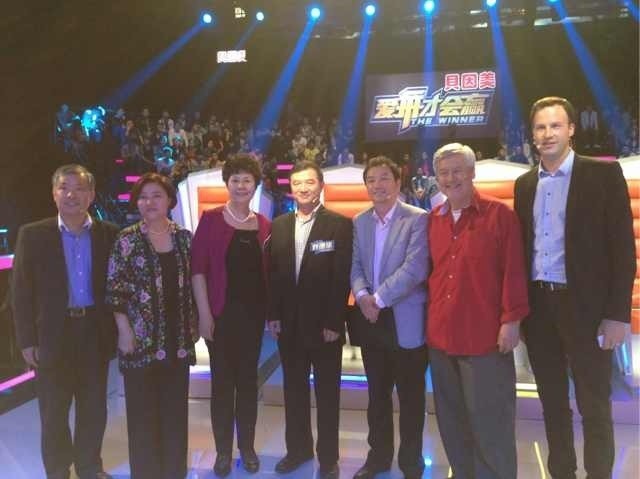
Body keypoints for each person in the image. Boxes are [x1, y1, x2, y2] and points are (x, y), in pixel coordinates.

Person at [514, 97, 636, 479]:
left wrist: (617, 315)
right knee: (552, 404)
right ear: (533, 135)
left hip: (587, 310)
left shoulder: (602, 174)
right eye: (540, 127)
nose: (547, 133)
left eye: (555, 125)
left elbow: (623, 249)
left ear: (571, 129)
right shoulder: (524, 184)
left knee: (594, 404)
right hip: (539, 309)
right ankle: (562, 473)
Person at [428, 143, 530, 478]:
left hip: (484, 338)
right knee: (452, 423)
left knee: (491, 423)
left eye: (458, 171)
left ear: (472, 172)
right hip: (441, 338)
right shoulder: (434, 219)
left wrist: (511, 320)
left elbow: (514, 271)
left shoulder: (499, 215)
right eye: (444, 173)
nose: (451, 178)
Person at [12, 164, 118, 479]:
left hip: (94, 333)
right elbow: (21, 292)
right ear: (54, 193)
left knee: (93, 408)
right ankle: (58, 471)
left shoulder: (109, 234)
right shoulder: (33, 234)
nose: (72, 194)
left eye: (80, 188)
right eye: (64, 188)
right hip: (51, 335)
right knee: (53, 412)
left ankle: (89, 467)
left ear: (92, 194)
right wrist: (27, 340)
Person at [105, 173, 198, 479]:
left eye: (156, 195)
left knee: (174, 414)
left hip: (177, 340)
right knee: (142, 418)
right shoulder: (127, 239)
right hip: (139, 341)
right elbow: (115, 289)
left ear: (170, 200)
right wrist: (124, 330)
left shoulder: (184, 238)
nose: (149, 202)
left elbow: (196, 284)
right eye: (143, 197)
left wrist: (198, 322)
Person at [268, 161, 352, 479]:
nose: (303, 188)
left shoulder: (339, 225)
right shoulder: (279, 225)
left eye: (309, 182)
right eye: (297, 183)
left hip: (324, 327)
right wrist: (273, 315)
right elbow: (274, 275)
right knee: (294, 392)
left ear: (321, 186)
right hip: (289, 326)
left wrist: (334, 322)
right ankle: (298, 450)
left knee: (328, 394)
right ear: (291, 188)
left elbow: (341, 277)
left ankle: (328, 458)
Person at [191, 154, 271, 477]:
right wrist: (204, 314)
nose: (240, 185)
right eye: (235, 179)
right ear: (227, 183)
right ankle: (223, 451)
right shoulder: (211, 219)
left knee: (248, 384)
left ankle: (247, 448)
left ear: (255, 185)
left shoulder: (264, 224)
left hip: (253, 319)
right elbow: (198, 270)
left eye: (246, 180)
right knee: (223, 385)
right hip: (220, 317)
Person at [350, 156, 429, 479]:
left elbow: (415, 268)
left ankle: (411, 462)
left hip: (406, 320)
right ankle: (378, 458)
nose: (377, 185)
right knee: (377, 396)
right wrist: (362, 296)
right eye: (371, 180)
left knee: (411, 398)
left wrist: (378, 298)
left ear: (398, 183)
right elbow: (355, 265)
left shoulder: (418, 219)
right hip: (372, 320)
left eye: (384, 178)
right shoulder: (360, 221)